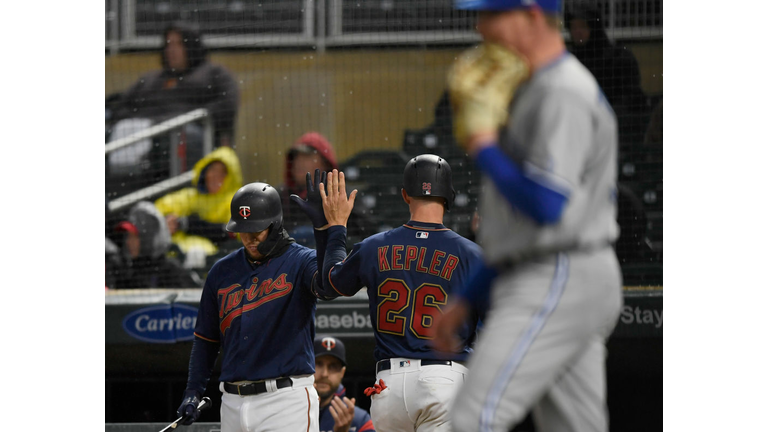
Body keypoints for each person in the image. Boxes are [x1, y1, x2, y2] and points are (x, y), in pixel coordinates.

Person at [432, 1, 624, 431]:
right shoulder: (534, 88)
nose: (481, 26)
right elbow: (517, 233)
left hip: (558, 272)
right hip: (561, 270)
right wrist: (467, 298)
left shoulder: (562, 91)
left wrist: (483, 145)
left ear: (533, 15)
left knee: (471, 420)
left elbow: (546, 205)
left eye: (493, 14)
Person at [292, 156, 485, 432]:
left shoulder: (374, 247)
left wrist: (332, 230)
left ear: (405, 195)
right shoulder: (472, 255)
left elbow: (328, 286)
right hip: (445, 377)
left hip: (389, 384)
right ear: (449, 196)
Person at [176, 182, 322, 432]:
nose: (249, 237)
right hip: (232, 403)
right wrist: (193, 390)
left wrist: (328, 230)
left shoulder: (302, 261)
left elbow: (331, 286)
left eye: (257, 229)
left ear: (275, 225)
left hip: (285, 401)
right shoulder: (222, 271)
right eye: (243, 229)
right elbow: (206, 340)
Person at [107, 21, 240, 193]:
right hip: (143, 136)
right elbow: (121, 106)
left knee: (181, 136)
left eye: (179, 44)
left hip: (182, 139)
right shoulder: (150, 80)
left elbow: (226, 107)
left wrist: (174, 121)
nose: (172, 50)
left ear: (192, 45)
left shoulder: (214, 74)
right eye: (168, 44)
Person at [565, 3, 648, 146]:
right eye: (574, 27)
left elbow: (629, 99)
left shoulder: (619, 58)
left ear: (594, 28)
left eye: (583, 26)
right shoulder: (569, 62)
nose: (577, 32)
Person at [280, 131, 375, 248]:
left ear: (325, 163)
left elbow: (363, 237)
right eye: (296, 157)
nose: (299, 162)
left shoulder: (343, 195)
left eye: (307, 157)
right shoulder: (280, 197)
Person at [154, 146, 243, 266]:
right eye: (212, 170)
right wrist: (166, 221)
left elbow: (233, 234)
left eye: (221, 173)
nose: (214, 176)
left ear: (230, 177)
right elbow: (163, 206)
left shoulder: (237, 201)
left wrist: (189, 224)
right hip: (180, 254)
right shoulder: (193, 196)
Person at [106, 201, 201, 289]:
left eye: (134, 237)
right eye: (128, 236)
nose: (128, 242)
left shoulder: (172, 273)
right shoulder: (125, 273)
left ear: (148, 239)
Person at [313, 335, 375, 432]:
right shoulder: (288, 411)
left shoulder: (360, 420)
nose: (324, 374)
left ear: (342, 373)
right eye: (318, 364)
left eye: (333, 366)